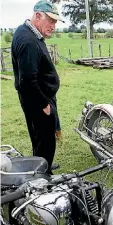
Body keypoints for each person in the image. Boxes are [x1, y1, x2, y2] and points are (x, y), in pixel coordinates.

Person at [11, 0, 63, 174]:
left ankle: (42, 165)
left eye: (55, 22)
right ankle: (42, 177)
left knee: (40, 139)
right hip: (37, 100)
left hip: (39, 96)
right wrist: (43, 103)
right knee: (45, 140)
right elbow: (27, 80)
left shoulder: (30, 33)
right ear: (38, 16)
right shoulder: (28, 41)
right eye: (51, 21)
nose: (53, 26)